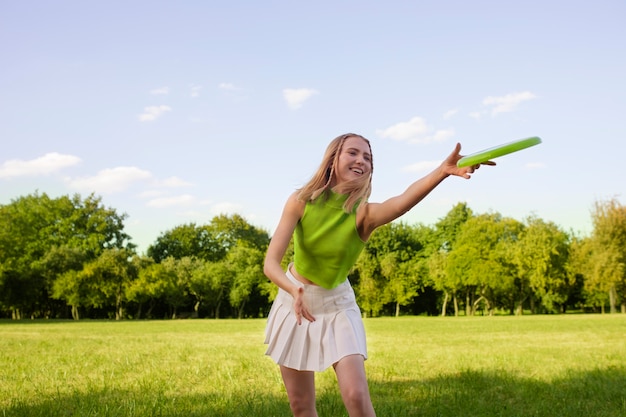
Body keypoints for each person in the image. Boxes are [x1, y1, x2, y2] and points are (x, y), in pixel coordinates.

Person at [263, 133, 494, 416]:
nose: (361, 160)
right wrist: (292, 288)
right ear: (333, 158)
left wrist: (443, 172)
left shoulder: (363, 215)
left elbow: (402, 201)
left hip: (338, 307)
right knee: (301, 406)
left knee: (357, 396)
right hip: (295, 304)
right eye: (353, 153)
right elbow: (271, 263)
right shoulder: (300, 201)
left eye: (368, 157)